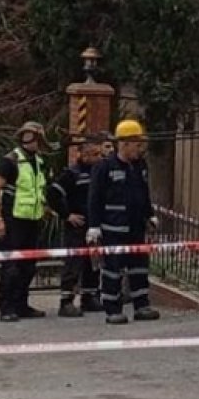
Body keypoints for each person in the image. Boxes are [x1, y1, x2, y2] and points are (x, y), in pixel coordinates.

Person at [87, 119, 160, 324]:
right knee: (113, 271)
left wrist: (150, 214)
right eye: (137, 144)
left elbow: (144, 193)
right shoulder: (104, 167)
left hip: (136, 227)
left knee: (139, 268)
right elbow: (94, 198)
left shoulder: (140, 166)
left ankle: (142, 305)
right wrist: (93, 226)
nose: (140, 148)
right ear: (125, 143)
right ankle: (112, 309)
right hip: (113, 228)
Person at [0, 121, 51, 322]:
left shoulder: (39, 161)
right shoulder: (11, 160)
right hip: (14, 219)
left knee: (28, 265)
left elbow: (37, 190)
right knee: (11, 266)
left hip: (32, 219)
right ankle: (6, 307)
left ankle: (21, 305)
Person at [47, 132, 107, 317]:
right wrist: (67, 215)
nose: (99, 158)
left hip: (94, 225)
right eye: (95, 155)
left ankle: (89, 297)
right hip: (77, 226)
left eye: (100, 154)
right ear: (84, 155)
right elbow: (52, 194)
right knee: (74, 263)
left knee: (93, 263)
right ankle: (66, 301)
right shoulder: (72, 173)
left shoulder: (99, 172)